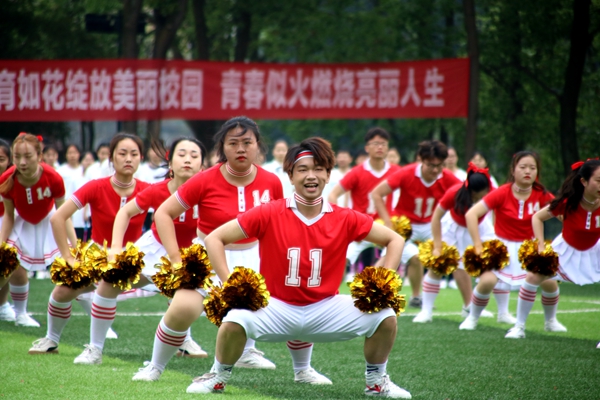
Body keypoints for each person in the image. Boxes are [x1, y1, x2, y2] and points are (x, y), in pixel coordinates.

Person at [185, 137, 411, 398]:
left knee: (385, 315)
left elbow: (395, 240)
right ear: (290, 176)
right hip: (275, 306)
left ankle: (376, 382)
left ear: (328, 175)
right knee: (235, 318)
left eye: (318, 169)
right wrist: (229, 285)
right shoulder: (269, 212)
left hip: (325, 307)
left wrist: (383, 282)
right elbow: (214, 238)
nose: (311, 176)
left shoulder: (345, 217)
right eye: (303, 169)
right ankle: (218, 376)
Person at [134, 116, 327, 384]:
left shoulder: (271, 181)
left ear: (258, 145)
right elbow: (163, 213)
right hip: (207, 257)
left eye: (247, 142)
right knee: (182, 309)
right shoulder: (204, 179)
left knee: (296, 303)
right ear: (222, 147)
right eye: (233, 143)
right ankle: (155, 367)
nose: (240, 149)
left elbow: (281, 222)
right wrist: (177, 260)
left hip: (257, 256)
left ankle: (302, 370)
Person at [79, 138, 208, 368]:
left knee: (192, 297)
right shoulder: (158, 190)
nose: (187, 159)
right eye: (181, 154)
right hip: (154, 249)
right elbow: (124, 213)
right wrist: (116, 248)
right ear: (170, 162)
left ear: (202, 165)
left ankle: (187, 341)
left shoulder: (209, 192)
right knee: (108, 283)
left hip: (192, 253)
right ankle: (95, 349)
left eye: (194, 155)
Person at [28, 133, 150, 357]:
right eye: (122, 153)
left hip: (135, 257)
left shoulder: (148, 189)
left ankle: (185, 342)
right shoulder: (95, 186)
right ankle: (51, 339)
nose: (128, 159)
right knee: (61, 292)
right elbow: (58, 217)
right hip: (98, 255)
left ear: (141, 158)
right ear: (110, 158)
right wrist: (68, 257)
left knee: (178, 285)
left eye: (134, 154)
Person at [504, 160, 600, 339]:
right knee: (532, 277)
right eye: (599, 181)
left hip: (595, 251)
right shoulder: (568, 203)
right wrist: (541, 247)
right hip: (565, 250)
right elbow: (537, 218)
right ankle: (519, 327)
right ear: (584, 181)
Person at [460, 151, 555, 331]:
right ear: (513, 170)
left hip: (529, 249)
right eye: (523, 167)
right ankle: (472, 317)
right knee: (487, 281)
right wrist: (478, 245)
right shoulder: (502, 192)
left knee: (550, 282)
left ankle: (551, 321)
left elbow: (564, 213)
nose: (527, 171)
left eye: (532, 168)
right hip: (502, 248)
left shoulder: (542, 194)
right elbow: (471, 214)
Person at [371, 140, 461, 308]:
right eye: (430, 165)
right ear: (421, 160)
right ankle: (369, 290)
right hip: (406, 225)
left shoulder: (448, 177)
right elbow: (377, 193)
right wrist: (388, 222)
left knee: (452, 256)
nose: (435, 170)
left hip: (432, 224)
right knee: (402, 256)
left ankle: (470, 305)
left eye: (439, 165)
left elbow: (465, 196)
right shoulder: (406, 173)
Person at [0, 133, 76, 327]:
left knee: (75, 269)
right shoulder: (7, 179)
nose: (22, 162)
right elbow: (9, 215)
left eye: (28, 156)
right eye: (17, 157)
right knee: (11, 266)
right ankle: (20, 314)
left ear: (39, 156)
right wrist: (2, 244)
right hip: (22, 223)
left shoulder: (53, 177)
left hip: (51, 223)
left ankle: (100, 322)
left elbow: (63, 214)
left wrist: (75, 246)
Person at [412, 163, 495, 323]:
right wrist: (437, 246)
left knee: (483, 268)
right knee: (437, 266)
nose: (480, 199)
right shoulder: (454, 193)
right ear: (470, 191)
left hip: (480, 229)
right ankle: (426, 311)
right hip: (452, 229)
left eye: (483, 195)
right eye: (477, 196)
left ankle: (471, 307)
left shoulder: (493, 192)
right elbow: (436, 217)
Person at [328, 128, 400, 280]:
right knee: (340, 261)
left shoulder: (396, 171)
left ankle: (415, 294)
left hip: (387, 226)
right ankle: (330, 292)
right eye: (376, 143)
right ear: (367, 148)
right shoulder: (357, 172)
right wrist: (340, 220)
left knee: (410, 256)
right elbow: (333, 195)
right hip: (361, 226)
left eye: (383, 144)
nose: (380, 147)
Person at [57, 144, 87, 240]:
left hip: (81, 207)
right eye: (70, 153)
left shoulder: (84, 170)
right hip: (64, 204)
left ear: (79, 154)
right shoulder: (61, 170)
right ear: (66, 155)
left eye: (74, 152)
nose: (72, 155)